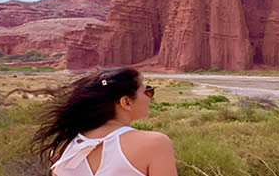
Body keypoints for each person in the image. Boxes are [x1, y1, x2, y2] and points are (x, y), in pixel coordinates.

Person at [31, 67, 177, 176]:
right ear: (126, 102)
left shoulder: (62, 147)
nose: (149, 97)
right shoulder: (155, 144)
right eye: (147, 91)